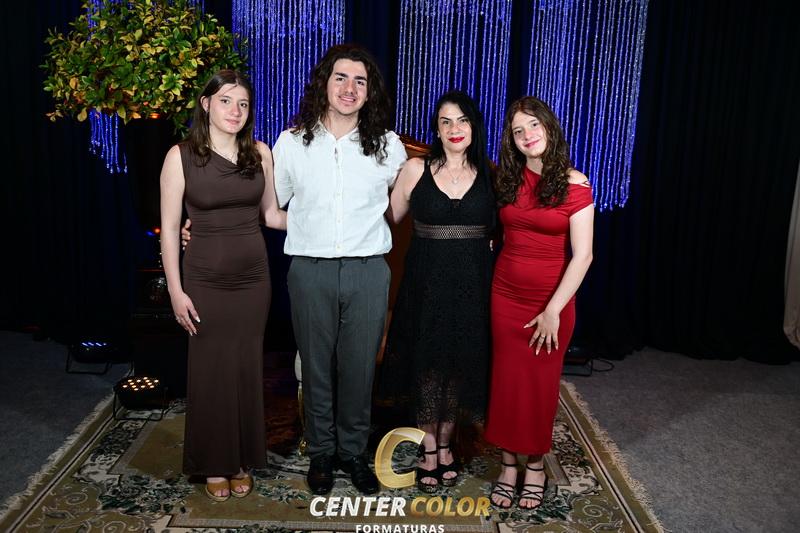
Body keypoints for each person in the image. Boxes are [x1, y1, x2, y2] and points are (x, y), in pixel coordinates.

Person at [273, 44, 407, 495]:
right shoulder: (292, 143)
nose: (350, 88)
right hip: (310, 270)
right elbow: (274, 207)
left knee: (359, 369)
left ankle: (353, 453)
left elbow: (407, 202)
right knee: (315, 367)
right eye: (341, 78)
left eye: (360, 81)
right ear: (324, 84)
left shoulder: (388, 146)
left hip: (368, 271)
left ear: (370, 92)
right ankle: (321, 454)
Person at [160, 70, 286, 502]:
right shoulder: (180, 157)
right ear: (206, 103)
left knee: (247, 367)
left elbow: (272, 216)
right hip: (204, 279)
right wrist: (175, 291)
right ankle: (215, 461)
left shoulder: (260, 153)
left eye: (243, 103)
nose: (235, 111)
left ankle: (242, 458)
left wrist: (336, 224)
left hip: (254, 280)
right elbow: (170, 228)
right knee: (211, 369)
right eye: (226, 101)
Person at [379, 90, 494, 492]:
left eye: (462, 120)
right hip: (425, 287)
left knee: (457, 367)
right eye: (445, 122)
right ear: (437, 130)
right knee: (427, 367)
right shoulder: (416, 169)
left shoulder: (491, 175)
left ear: (473, 126)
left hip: (473, 289)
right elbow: (387, 217)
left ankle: (446, 444)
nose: (454, 128)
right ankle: (429, 449)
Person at [484, 96, 594, 509]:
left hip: (551, 303)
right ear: (511, 141)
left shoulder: (575, 184)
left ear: (548, 127)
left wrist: (552, 311)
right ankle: (507, 464)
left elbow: (583, 256)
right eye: (518, 131)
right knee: (506, 382)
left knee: (539, 388)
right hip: (504, 296)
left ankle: (534, 465)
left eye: (533, 125)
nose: (527, 135)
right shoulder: (507, 180)